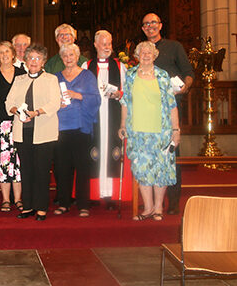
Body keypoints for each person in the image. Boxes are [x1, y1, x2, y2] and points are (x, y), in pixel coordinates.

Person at [118, 41, 180, 221]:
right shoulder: (130, 75)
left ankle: (159, 207)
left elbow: (172, 105)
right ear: (137, 55)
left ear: (155, 55)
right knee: (142, 168)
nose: (146, 55)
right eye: (142, 52)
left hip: (161, 131)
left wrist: (176, 129)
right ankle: (147, 207)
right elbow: (125, 103)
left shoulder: (163, 76)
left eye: (149, 52)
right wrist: (122, 125)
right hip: (137, 131)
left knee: (161, 169)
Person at [141, 12, 193, 215]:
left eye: (153, 22)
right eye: (146, 24)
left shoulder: (174, 47)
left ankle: (172, 201)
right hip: (147, 111)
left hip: (169, 109)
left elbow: (189, 72)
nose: (150, 26)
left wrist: (184, 87)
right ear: (143, 29)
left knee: (170, 155)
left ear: (160, 25)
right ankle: (152, 204)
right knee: (150, 157)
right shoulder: (141, 49)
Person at [5, 44, 61, 221]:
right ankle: (27, 206)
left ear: (43, 61)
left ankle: (42, 208)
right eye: (30, 58)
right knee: (26, 171)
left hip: (44, 133)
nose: (34, 61)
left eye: (38, 58)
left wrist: (36, 112)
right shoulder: (19, 80)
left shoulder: (51, 79)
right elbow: (8, 102)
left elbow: (55, 103)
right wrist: (17, 111)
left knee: (41, 171)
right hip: (23, 132)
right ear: (26, 61)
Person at [54, 43, 101, 217]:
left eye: (71, 55)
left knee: (82, 167)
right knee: (62, 167)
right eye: (65, 55)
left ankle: (83, 205)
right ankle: (64, 203)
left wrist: (77, 95)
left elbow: (96, 100)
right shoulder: (56, 77)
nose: (68, 58)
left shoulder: (87, 76)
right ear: (61, 58)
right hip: (60, 127)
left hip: (81, 126)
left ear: (77, 56)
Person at [82, 30, 127, 209]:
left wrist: (119, 94)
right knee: (94, 153)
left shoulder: (120, 66)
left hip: (113, 115)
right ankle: (94, 194)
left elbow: (126, 92)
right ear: (95, 45)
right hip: (93, 117)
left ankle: (111, 195)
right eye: (103, 43)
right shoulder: (87, 66)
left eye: (109, 43)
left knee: (112, 153)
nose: (107, 47)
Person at [0, 41, 25, 212]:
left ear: (13, 53)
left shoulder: (23, 74)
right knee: (3, 163)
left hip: (19, 124)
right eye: (0, 52)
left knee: (18, 162)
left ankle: (19, 199)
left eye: (7, 51)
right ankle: (6, 199)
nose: (4, 55)